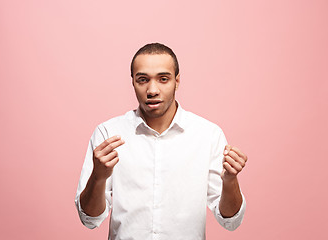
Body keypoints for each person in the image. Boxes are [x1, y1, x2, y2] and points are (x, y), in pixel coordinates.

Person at [75, 43, 248, 240]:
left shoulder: (208, 135)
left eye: (163, 79)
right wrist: (98, 176)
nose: (152, 90)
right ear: (133, 82)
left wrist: (230, 181)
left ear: (177, 81)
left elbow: (230, 220)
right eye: (143, 80)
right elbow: (89, 219)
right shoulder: (108, 133)